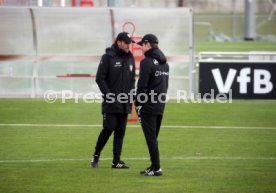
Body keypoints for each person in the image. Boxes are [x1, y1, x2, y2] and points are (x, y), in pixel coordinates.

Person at [91, 32, 136, 169]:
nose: (129, 45)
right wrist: (109, 95)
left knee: (120, 131)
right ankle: (96, 154)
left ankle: (116, 161)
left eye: (130, 42)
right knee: (109, 128)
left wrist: (131, 96)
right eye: (126, 42)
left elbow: (132, 79)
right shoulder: (108, 57)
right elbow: (100, 78)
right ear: (119, 42)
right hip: (111, 102)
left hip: (125, 102)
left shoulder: (130, 58)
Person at [135, 34, 169, 176]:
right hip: (160, 104)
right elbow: (164, 85)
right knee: (153, 138)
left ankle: (156, 169)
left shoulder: (146, 62)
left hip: (148, 105)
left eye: (142, 44)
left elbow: (142, 85)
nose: (141, 47)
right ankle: (153, 166)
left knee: (151, 138)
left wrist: (138, 103)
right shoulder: (165, 63)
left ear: (148, 44)